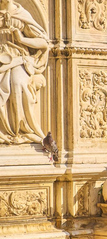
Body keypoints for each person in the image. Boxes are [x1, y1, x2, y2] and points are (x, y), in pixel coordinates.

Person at [0, 0, 49, 144]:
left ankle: (21, 131)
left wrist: (22, 39)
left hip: (17, 59)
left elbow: (43, 43)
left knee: (18, 83)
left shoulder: (20, 15)